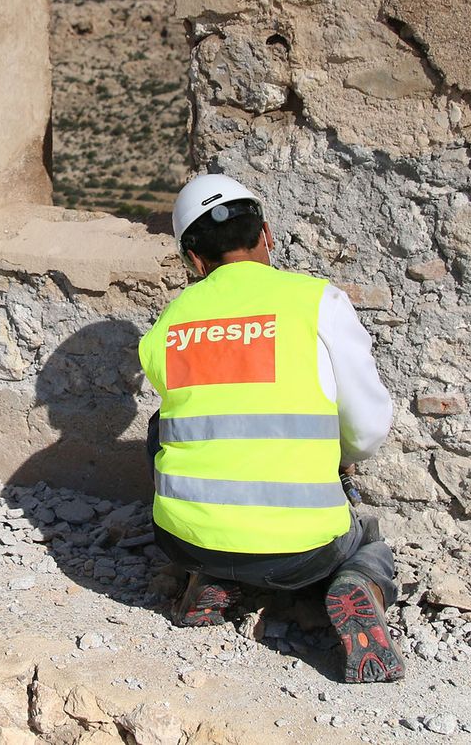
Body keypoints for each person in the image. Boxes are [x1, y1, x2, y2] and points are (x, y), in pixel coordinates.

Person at [138, 173, 402, 683]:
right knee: (366, 540)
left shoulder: (169, 323)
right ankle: (356, 583)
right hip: (303, 553)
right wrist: (339, 459)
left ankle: (208, 575)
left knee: (160, 425)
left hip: (184, 540)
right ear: (267, 235)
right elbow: (367, 428)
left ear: (194, 261)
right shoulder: (316, 302)